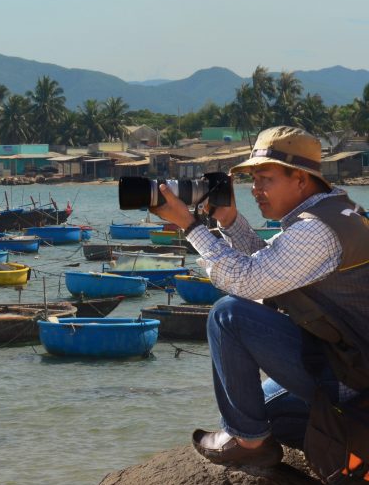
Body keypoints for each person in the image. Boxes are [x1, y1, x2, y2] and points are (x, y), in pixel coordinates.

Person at [151, 125, 369, 467]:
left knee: (228, 315)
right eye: (252, 180)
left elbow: (247, 281)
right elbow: (274, 271)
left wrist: (189, 226)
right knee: (265, 412)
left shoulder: (316, 230)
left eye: (265, 179)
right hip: (346, 362)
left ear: (300, 178)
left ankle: (248, 443)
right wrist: (229, 221)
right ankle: (282, 435)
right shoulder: (336, 210)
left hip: (349, 377)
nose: (255, 190)